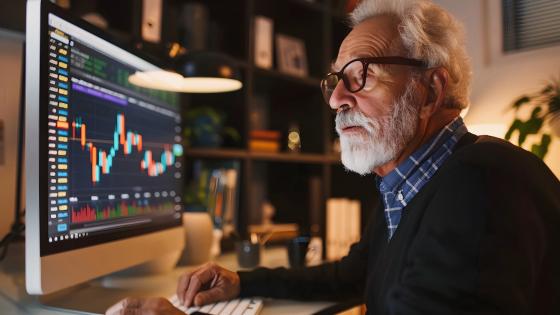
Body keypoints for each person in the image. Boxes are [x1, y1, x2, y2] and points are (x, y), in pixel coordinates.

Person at [106, 0, 560, 314]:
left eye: (361, 74)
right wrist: (245, 282)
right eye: (335, 80)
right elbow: (352, 274)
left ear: (431, 90)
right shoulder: (408, 184)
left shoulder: (485, 182)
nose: (336, 98)